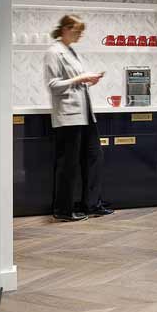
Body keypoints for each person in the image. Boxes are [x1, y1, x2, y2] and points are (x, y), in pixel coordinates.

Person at [44, 14, 113, 221]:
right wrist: (81, 78)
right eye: (77, 30)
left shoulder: (70, 51)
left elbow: (72, 81)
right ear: (65, 28)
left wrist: (87, 81)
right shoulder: (53, 52)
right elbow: (52, 85)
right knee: (68, 164)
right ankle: (63, 210)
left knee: (94, 158)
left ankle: (92, 204)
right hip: (69, 117)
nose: (80, 34)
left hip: (85, 115)